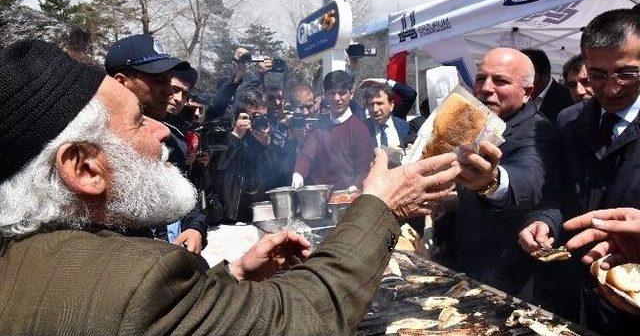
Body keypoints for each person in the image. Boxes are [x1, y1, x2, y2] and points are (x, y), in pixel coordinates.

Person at [0, 39, 462, 335]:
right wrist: (380, 205)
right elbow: (304, 315)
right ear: (82, 167)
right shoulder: (129, 280)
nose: (163, 132)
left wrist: (231, 277)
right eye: (139, 121)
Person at [517, 8, 640, 334]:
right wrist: (543, 220)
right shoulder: (569, 120)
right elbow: (557, 191)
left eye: (627, 74)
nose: (612, 89)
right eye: (597, 76)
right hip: (573, 294)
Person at [455, 48, 560, 301]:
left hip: (508, 282)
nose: (486, 88)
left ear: (527, 93)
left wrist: (491, 181)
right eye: (481, 78)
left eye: (500, 81)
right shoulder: (479, 121)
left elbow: (529, 178)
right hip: (468, 266)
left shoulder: (538, 130)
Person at [215, 90, 295, 223]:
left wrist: (267, 145)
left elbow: (281, 175)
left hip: (264, 212)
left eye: (263, 116)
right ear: (239, 117)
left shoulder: (269, 139)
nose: (259, 121)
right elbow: (219, 169)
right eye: (254, 116)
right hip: (233, 217)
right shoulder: (226, 138)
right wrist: (236, 136)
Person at [157, 66, 209, 254]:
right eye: (174, 89)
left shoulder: (181, 137)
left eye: (185, 94)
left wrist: (196, 227)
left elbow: (185, 189)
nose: (178, 98)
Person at [292, 70, 374, 190]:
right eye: (332, 93)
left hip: (348, 197)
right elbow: (306, 155)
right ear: (325, 95)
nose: (337, 98)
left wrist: (355, 186)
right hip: (318, 195)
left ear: (351, 94)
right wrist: (298, 174)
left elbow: (363, 168)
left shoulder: (359, 129)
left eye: (341, 93)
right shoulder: (319, 126)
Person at [104, 34, 188, 120]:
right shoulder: (98, 130)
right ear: (121, 83)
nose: (170, 91)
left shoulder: (164, 131)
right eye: (159, 80)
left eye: (169, 81)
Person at [521, 48, 573, 123]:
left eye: (527, 76)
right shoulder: (517, 94)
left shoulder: (567, 99)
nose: (521, 81)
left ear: (545, 74)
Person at [363, 83, 413, 148]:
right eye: (371, 104)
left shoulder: (405, 128)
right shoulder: (359, 130)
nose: (375, 109)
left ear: (391, 105)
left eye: (379, 103)